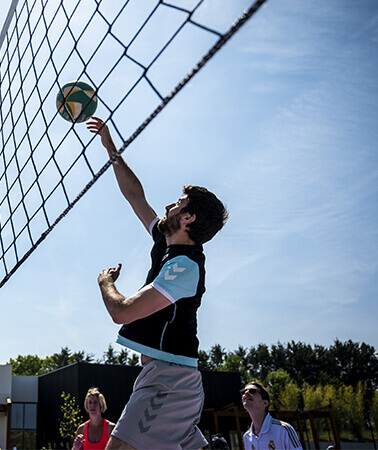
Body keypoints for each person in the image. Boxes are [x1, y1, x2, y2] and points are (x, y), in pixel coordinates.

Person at [86, 117, 228, 450]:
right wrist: (110, 148)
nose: (169, 205)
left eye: (178, 203)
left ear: (188, 218)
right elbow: (135, 196)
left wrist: (105, 283)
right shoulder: (169, 243)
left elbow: (122, 312)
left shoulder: (186, 267)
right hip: (167, 378)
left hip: (170, 381)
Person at [241, 382, 302, 450]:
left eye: (252, 391)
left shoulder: (284, 429)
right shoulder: (246, 437)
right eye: (243, 391)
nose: (246, 393)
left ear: (265, 403)